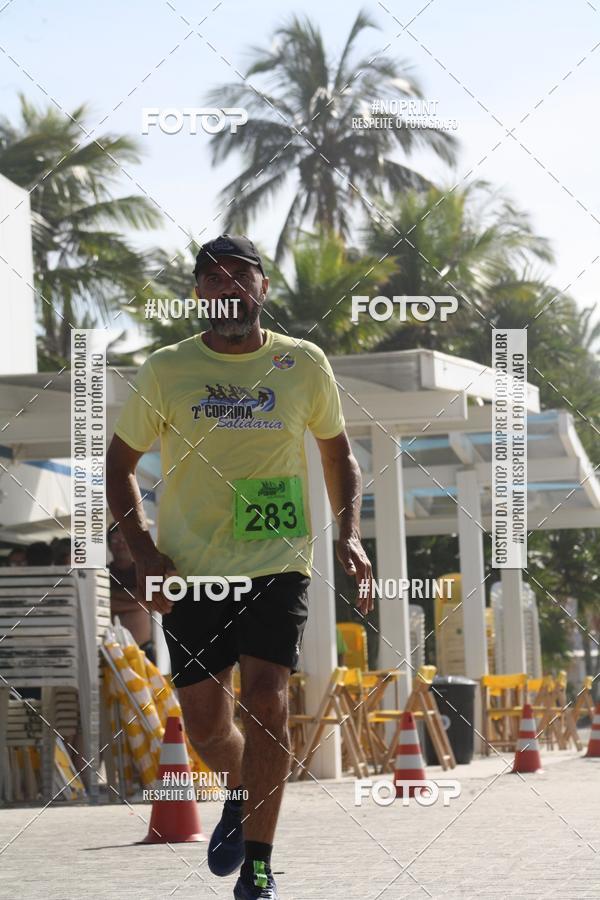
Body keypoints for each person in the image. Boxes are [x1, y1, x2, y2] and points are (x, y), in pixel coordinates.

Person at [106, 233, 373, 900]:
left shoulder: (303, 363)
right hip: (191, 567)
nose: (228, 286)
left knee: (267, 703)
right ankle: (239, 788)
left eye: (240, 275)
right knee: (204, 727)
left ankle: (258, 866)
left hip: (278, 560)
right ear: (198, 292)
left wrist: (349, 534)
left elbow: (338, 455)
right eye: (214, 277)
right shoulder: (167, 369)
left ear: (262, 288)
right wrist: (144, 552)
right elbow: (119, 464)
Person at [106, 522, 154, 660]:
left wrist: (113, 596)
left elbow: (150, 599)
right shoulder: (104, 573)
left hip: (144, 650)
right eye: (115, 540)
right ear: (109, 545)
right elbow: (100, 602)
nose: (120, 545)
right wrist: (137, 603)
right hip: (112, 652)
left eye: (124, 540)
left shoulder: (144, 571)